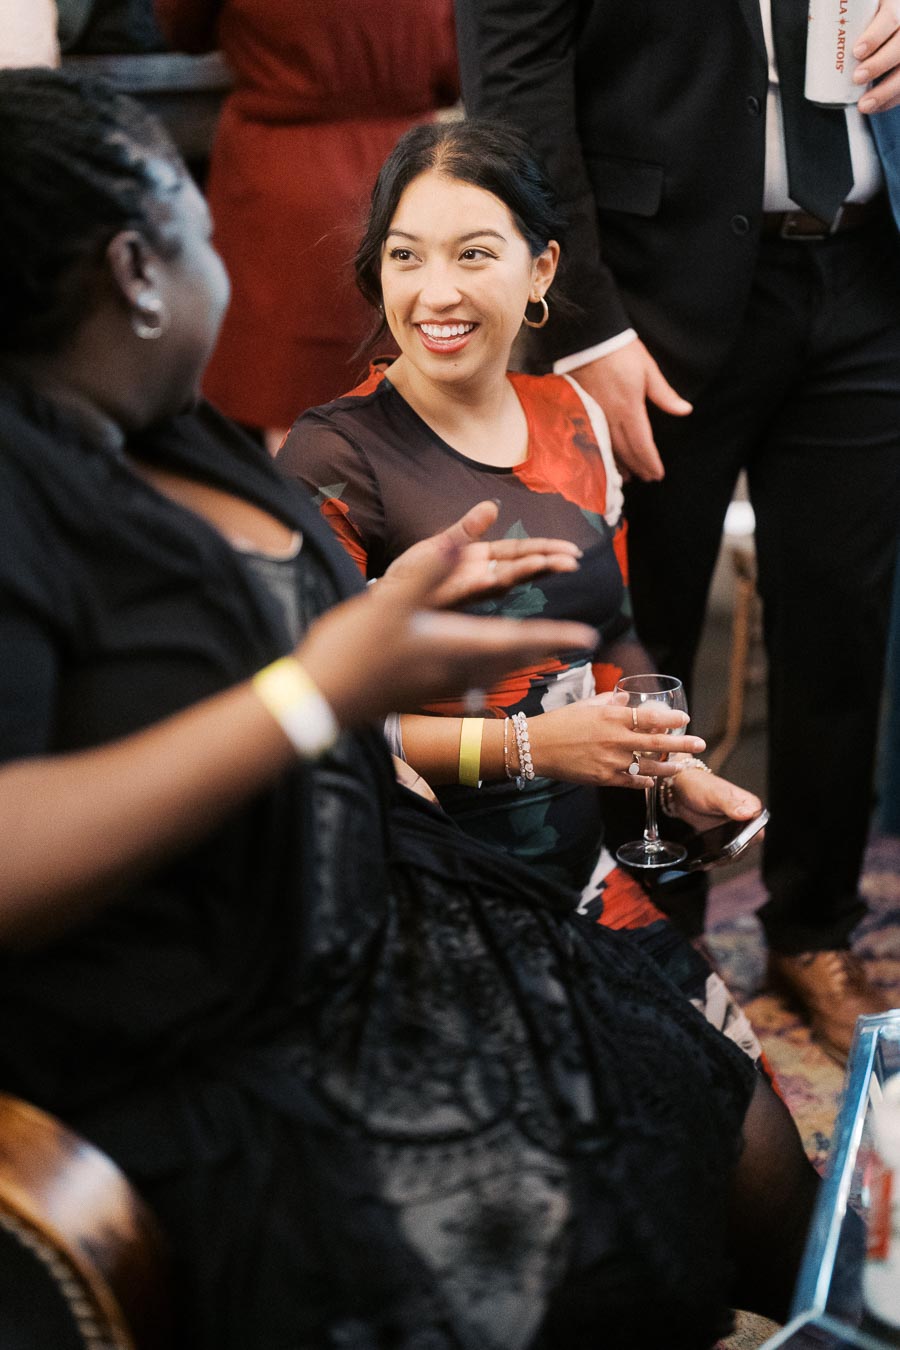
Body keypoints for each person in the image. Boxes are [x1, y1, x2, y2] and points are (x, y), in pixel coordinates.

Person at [0, 68, 819, 1350]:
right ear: (136, 273)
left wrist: (647, 754)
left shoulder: (170, 435)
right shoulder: (40, 494)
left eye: (476, 252)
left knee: (712, 1085)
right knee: (615, 1187)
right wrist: (327, 695)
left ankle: (834, 1303)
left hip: (392, 892)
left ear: (539, 274)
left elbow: (584, 638)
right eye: (204, 229)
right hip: (235, 1008)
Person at [454, 0, 900, 1062]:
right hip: (644, 291)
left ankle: (814, 927)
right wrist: (582, 322)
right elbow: (513, 82)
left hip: (867, 268)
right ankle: (657, 938)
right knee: (638, 628)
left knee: (842, 622)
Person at [278, 118, 767, 1054]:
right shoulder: (336, 457)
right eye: (406, 256)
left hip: (585, 876)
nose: (436, 292)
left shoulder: (573, 414)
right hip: (428, 893)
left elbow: (610, 633)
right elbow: (313, 724)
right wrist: (536, 747)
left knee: (749, 1111)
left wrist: (669, 766)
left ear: (541, 269)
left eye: (474, 253)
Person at [154, 0, 459, 452]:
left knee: (289, 402)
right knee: (416, 408)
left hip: (280, 184)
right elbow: (458, 60)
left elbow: (183, 26)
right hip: (410, 176)